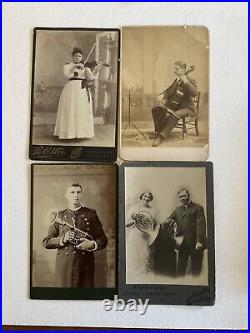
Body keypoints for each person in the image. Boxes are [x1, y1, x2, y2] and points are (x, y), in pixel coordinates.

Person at [42, 183, 107, 287]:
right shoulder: (59, 215)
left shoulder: (91, 214)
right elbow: (46, 241)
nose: (75, 195)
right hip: (64, 266)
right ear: (66, 195)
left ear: (81, 195)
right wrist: (63, 239)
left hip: (85, 265)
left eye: (78, 192)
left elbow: (103, 239)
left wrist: (92, 244)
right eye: (72, 192)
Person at [54, 47, 99, 140]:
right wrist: (74, 67)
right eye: (76, 56)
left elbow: (91, 77)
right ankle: (69, 134)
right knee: (70, 109)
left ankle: (81, 134)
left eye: (79, 56)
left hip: (82, 89)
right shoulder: (67, 65)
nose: (78, 58)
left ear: (82, 57)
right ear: (72, 56)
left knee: (81, 109)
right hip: (71, 88)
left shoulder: (85, 66)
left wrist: (95, 70)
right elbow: (68, 75)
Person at [151, 61, 198, 146]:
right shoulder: (176, 80)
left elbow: (194, 93)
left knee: (175, 114)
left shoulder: (190, 80)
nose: (175, 71)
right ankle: (159, 131)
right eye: (174, 69)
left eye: (177, 69)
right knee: (156, 109)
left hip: (187, 107)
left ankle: (161, 137)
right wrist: (162, 95)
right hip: (176, 106)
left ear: (183, 69)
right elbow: (169, 90)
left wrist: (186, 81)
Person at [163, 188, 207, 277]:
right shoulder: (177, 209)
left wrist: (199, 241)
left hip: (195, 243)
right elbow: (169, 219)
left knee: (196, 269)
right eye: (180, 197)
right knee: (180, 269)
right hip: (182, 243)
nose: (182, 198)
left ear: (189, 196)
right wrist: (167, 222)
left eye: (184, 196)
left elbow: (201, 225)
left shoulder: (198, 208)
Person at [126, 192, 159, 279]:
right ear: (141, 197)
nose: (147, 198)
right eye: (145, 196)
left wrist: (153, 235)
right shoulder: (133, 208)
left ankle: (143, 279)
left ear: (150, 199)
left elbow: (157, 225)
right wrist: (133, 221)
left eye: (149, 197)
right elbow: (125, 223)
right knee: (134, 258)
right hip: (135, 237)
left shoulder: (153, 211)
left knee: (145, 259)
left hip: (146, 238)